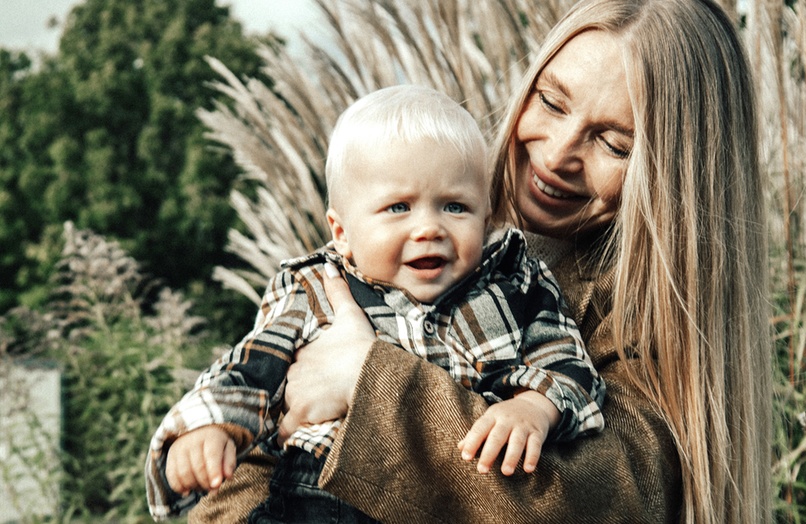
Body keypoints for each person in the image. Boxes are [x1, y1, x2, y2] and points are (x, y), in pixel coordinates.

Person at [145, 84, 606, 523]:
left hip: (450, 497)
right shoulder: (316, 288)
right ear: (342, 232)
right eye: (398, 208)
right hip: (319, 496)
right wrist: (211, 428)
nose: (429, 228)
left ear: (487, 217)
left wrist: (533, 407)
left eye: (455, 207)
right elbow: (252, 370)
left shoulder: (517, 281)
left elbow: (569, 365)